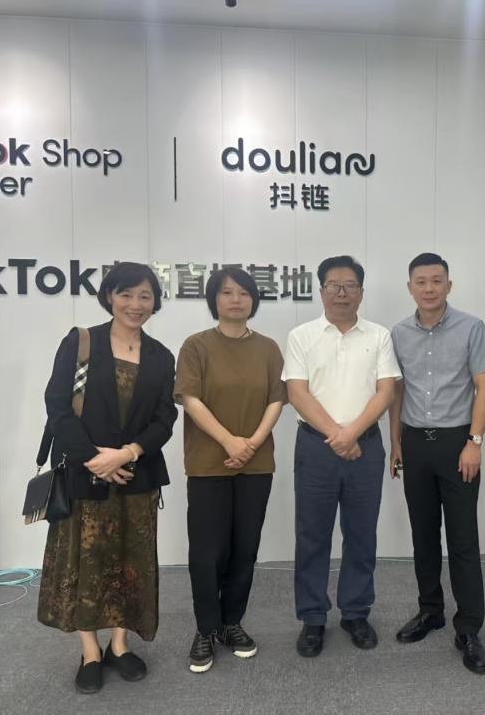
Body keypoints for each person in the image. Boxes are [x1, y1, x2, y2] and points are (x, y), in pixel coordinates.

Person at [38, 261, 177, 694]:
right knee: (87, 561)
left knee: (130, 561)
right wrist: (95, 458)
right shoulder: (81, 341)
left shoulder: (161, 355)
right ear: (109, 297)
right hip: (86, 474)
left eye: (145, 296)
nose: (136, 304)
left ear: (155, 302)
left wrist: (129, 453)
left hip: (138, 475)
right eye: (126, 294)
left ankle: (119, 644)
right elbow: (57, 405)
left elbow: (165, 418)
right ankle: (90, 651)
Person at [283, 255, 401, 657]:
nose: (342, 293)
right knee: (312, 535)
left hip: (365, 447)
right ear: (321, 291)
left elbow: (386, 391)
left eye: (350, 286)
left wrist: (351, 434)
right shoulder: (301, 336)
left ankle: (355, 612)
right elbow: (297, 392)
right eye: (333, 285)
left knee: (361, 534)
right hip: (316, 448)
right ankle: (313, 617)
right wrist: (337, 435)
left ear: (361, 292)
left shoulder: (379, 335)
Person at [388, 253, 485, 675]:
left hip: (458, 443)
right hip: (415, 442)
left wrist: (474, 442)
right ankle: (430, 610)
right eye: (421, 281)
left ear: (449, 285)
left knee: (463, 539)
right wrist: (396, 441)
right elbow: (397, 392)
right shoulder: (399, 333)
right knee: (423, 535)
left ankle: (468, 627)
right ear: (410, 287)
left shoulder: (471, 327)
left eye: (437, 281)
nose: (429, 288)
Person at [175, 267, 286, 674]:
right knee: (207, 552)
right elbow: (190, 399)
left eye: (243, 292)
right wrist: (229, 442)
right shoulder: (196, 345)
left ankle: (231, 622)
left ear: (254, 299)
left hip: (256, 464)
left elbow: (276, 399)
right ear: (213, 300)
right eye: (226, 292)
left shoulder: (268, 348)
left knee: (245, 547)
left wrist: (251, 443)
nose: (236, 299)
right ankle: (206, 628)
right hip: (208, 463)